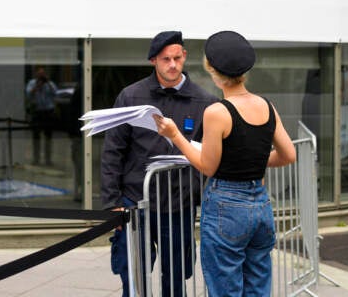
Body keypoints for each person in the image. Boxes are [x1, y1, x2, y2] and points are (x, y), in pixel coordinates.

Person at [154, 31, 297, 297]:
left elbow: (207, 166)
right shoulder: (267, 105)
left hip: (226, 206)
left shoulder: (217, 112)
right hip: (260, 204)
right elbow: (289, 155)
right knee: (258, 286)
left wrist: (175, 136)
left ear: (211, 69)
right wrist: (249, 159)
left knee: (225, 289)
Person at [101, 31, 217, 297]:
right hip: (134, 202)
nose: (173, 64)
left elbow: (212, 155)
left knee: (176, 279)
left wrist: (203, 197)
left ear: (185, 56)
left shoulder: (205, 102)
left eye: (177, 57)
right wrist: (112, 202)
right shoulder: (131, 97)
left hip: (179, 204)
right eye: (166, 59)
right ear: (154, 60)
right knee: (133, 278)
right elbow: (112, 152)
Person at [25, 67, 58, 165]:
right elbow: (28, 94)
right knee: (36, 137)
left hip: (48, 111)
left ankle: (48, 159)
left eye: (43, 74)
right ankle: (36, 159)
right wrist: (37, 86)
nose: (41, 76)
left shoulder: (50, 83)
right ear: (36, 75)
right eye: (39, 74)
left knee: (48, 137)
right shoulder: (32, 83)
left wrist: (47, 82)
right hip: (37, 112)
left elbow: (55, 93)